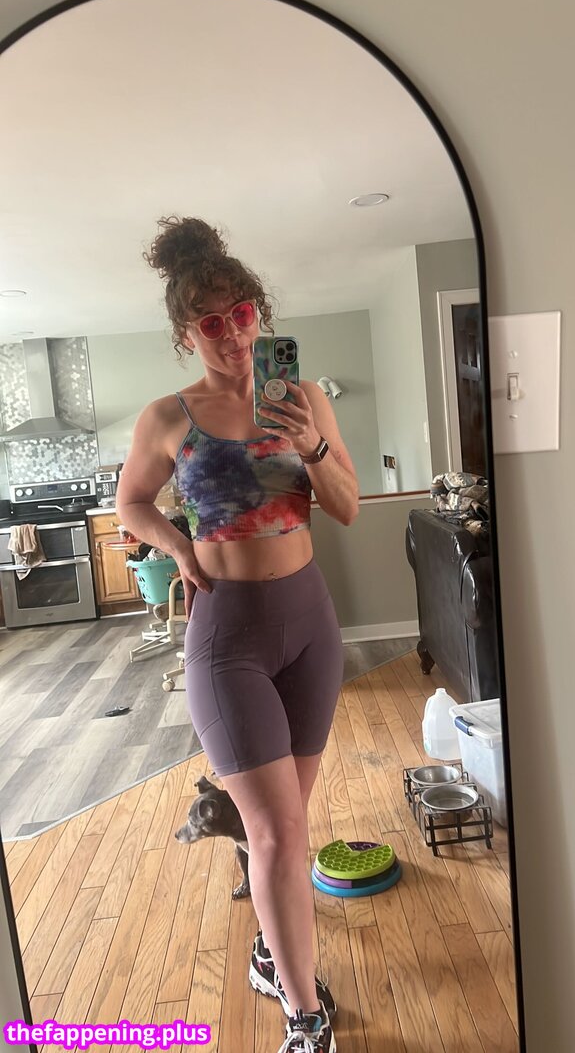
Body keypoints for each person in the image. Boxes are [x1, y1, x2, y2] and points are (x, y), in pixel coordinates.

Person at [116, 216, 359, 1053]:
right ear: (187, 334)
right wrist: (178, 546)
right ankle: (305, 1019)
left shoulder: (301, 397)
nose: (232, 334)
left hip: (311, 626)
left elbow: (347, 507)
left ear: (260, 312)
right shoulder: (168, 416)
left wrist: (312, 444)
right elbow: (131, 504)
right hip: (228, 638)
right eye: (210, 322)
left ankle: (268, 947)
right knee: (280, 833)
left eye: (242, 312)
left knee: (284, 825)